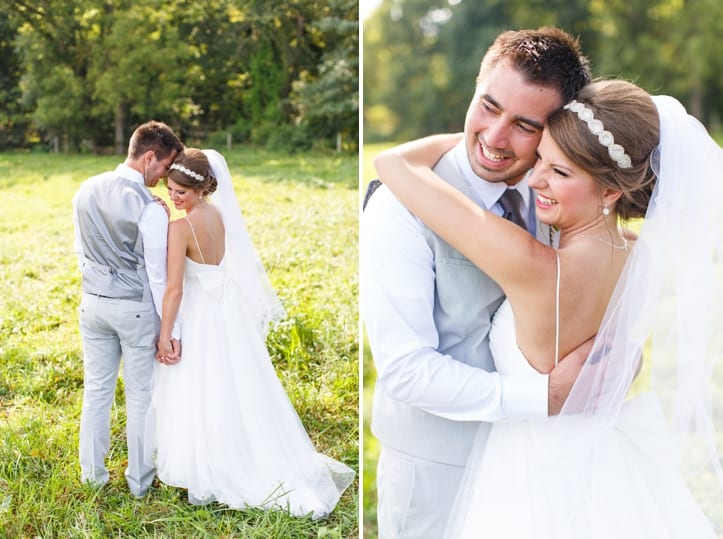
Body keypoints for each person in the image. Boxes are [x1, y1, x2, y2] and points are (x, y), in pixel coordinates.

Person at [374, 80, 722, 537]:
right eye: (540, 159)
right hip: (606, 465)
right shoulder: (643, 258)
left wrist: (473, 138)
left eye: (560, 172)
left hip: (528, 472)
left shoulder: (532, 265)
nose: (535, 178)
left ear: (611, 191)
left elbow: (392, 163)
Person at [361, 27, 592, 537]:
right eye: (488, 106)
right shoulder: (400, 205)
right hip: (437, 467)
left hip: (533, 460)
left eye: (524, 125)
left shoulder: (560, 198)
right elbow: (404, 369)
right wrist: (544, 398)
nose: (494, 137)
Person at [143, 148, 355, 517]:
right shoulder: (220, 214)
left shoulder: (180, 228)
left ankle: (208, 461)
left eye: (181, 192)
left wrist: (165, 335)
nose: (174, 198)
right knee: (231, 382)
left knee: (202, 383)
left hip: (199, 313)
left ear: (201, 188)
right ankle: (234, 446)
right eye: (170, 190)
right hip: (225, 311)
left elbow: (174, 289)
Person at [73, 120, 185, 497]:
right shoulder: (149, 208)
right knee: (140, 397)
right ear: (149, 157)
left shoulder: (85, 189)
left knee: (97, 391)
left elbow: (80, 252)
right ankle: (139, 482)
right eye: (165, 166)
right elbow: (158, 277)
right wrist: (172, 332)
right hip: (135, 310)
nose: (166, 175)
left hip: (92, 305)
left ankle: (92, 478)